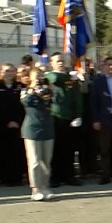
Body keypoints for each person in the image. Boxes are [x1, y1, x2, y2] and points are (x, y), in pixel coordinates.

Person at [46, 53, 83, 187]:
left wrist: (78, 115)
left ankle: (69, 176)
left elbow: (77, 97)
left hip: (69, 117)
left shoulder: (70, 78)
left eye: (62, 61)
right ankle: (55, 177)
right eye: (58, 61)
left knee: (69, 149)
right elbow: (54, 78)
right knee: (55, 149)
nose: (61, 63)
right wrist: (70, 77)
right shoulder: (48, 76)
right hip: (55, 116)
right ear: (51, 63)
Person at [21, 67, 55, 201]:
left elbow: (54, 101)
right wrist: (32, 89)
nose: (39, 79)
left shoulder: (47, 91)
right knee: (34, 161)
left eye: (41, 76)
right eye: (37, 76)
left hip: (47, 129)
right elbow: (26, 102)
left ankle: (45, 186)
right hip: (32, 129)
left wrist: (50, 88)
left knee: (46, 161)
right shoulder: (25, 91)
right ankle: (35, 189)